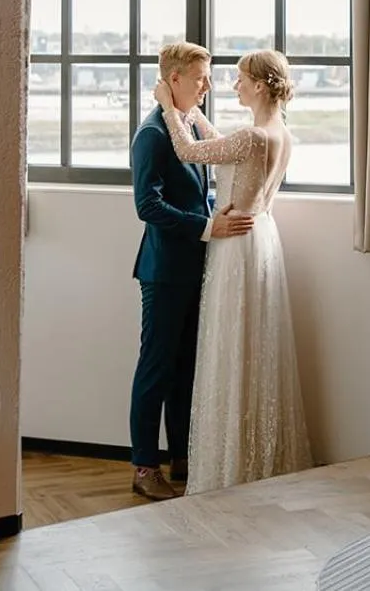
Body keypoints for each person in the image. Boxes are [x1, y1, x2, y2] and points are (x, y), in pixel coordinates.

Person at [152, 48, 314, 494]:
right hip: (260, 235)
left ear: (260, 85)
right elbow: (225, 146)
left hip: (234, 243)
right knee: (254, 345)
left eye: (240, 79)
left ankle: (232, 462)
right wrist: (197, 114)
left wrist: (169, 107)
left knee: (231, 345)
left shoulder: (252, 137)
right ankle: (256, 452)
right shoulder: (277, 133)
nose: (234, 85)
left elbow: (189, 150)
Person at [128, 42, 254, 501]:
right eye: (200, 77)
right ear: (173, 79)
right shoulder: (153, 135)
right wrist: (207, 227)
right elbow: (147, 205)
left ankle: (182, 456)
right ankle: (145, 467)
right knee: (155, 370)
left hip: (195, 267)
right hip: (163, 272)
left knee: (185, 369)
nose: (208, 85)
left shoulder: (185, 126)